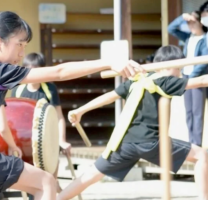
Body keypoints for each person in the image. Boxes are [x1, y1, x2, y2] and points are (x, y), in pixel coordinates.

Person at [0, 11, 143, 200]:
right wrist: (109, 62)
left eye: (25, 46)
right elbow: (59, 72)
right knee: (45, 182)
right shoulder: (0, 71)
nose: (21, 53)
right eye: (19, 45)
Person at [57, 45, 208, 200]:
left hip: (125, 144)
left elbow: (109, 96)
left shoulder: (136, 82)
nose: (179, 72)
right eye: (178, 67)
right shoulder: (166, 82)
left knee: (90, 175)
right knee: (201, 155)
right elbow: (202, 80)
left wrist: (80, 110)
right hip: (151, 142)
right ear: (168, 66)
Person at [11, 52, 70, 193]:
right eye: (29, 70)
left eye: (36, 70)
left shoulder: (49, 89)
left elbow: (59, 117)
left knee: (51, 173)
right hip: (26, 139)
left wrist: (62, 140)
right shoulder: (18, 90)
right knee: (35, 182)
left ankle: (56, 188)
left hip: (47, 137)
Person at [168, 11, 208, 147]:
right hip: (186, 77)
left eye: (193, 22)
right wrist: (182, 18)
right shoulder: (188, 37)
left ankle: (197, 143)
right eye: (189, 23)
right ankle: (191, 142)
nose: (190, 25)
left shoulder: (205, 38)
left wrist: (192, 76)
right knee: (189, 112)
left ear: (200, 22)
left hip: (197, 79)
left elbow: (204, 62)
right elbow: (170, 29)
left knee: (198, 112)